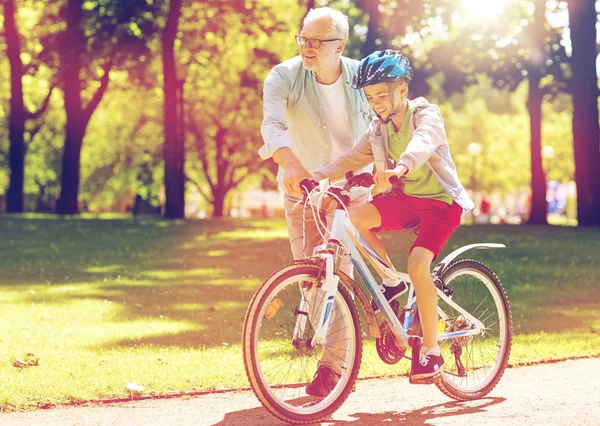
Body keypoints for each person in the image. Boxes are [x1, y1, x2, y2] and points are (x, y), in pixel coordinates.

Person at [313, 50, 474, 382]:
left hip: (441, 204)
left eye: (382, 95)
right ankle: (390, 281)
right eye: (370, 97)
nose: (377, 102)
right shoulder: (378, 129)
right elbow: (351, 158)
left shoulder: (424, 114)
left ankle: (431, 353)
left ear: (403, 88)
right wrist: (319, 177)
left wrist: (401, 166)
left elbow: (423, 143)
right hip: (407, 199)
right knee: (354, 218)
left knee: (418, 265)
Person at [258, 7, 374, 397]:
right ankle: (353, 341)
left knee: (340, 276)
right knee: (310, 276)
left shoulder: (364, 77)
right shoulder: (283, 76)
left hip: (352, 189)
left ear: (339, 46)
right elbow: (272, 125)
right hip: (302, 190)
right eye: (303, 38)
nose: (307, 46)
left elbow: (385, 124)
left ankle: (334, 367)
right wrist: (291, 163)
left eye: (316, 41)